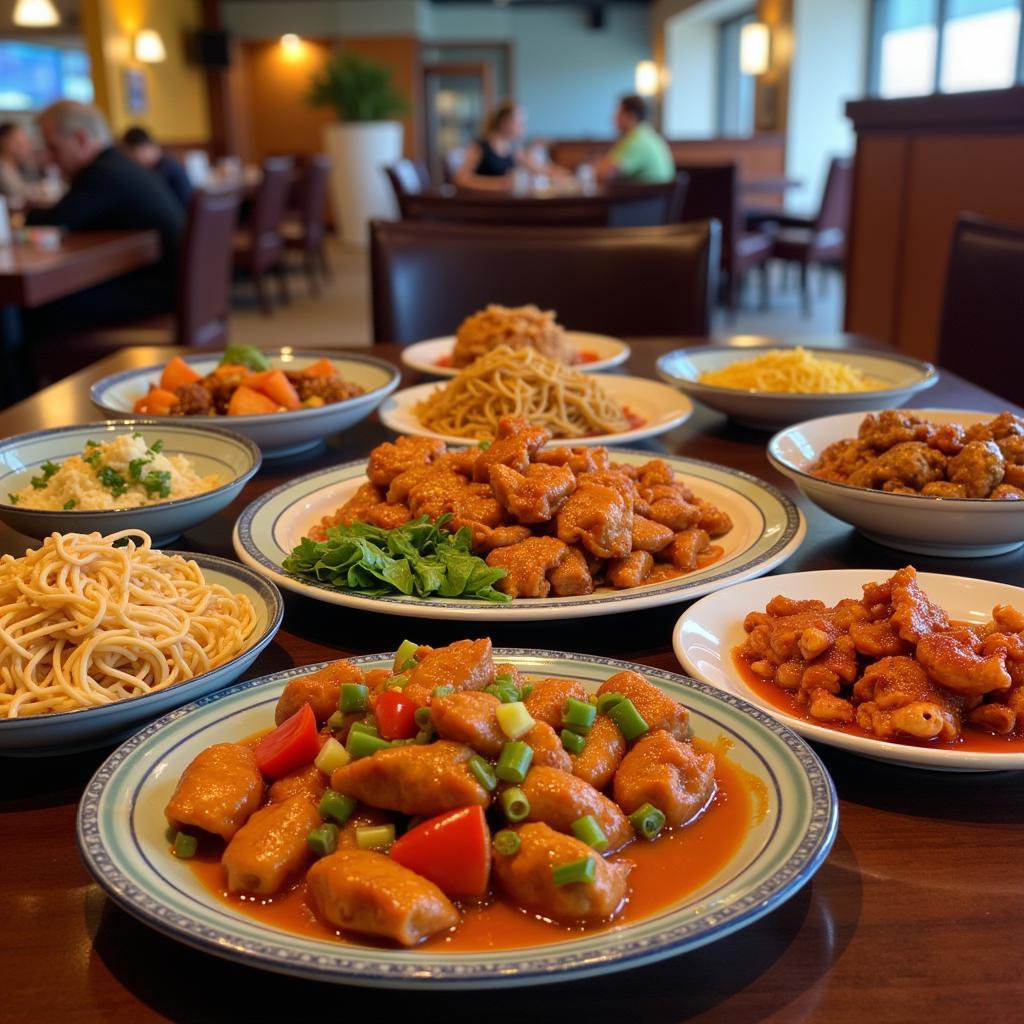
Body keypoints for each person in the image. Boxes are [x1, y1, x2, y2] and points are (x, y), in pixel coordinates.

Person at [25, 100, 185, 330]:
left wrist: (23, 216)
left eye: (53, 147)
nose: (49, 159)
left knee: (36, 310)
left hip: (152, 295)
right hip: (166, 287)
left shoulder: (102, 173)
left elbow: (57, 220)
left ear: (80, 139)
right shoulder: (118, 164)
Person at [454, 101, 566, 192]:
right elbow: (461, 179)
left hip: (503, 203)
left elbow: (537, 168)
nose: (523, 128)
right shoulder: (479, 146)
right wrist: (499, 184)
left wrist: (562, 174)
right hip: (483, 206)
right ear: (505, 122)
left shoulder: (512, 149)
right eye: (519, 123)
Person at [595, 94, 675, 185]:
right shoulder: (645, 134)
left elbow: (604, 173)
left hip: (649, 198)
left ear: (631, 116)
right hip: (654, 196)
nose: (613, 118)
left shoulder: (638, 141)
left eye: (618, 113)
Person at [121, 125, 193, 207]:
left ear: (142, 148)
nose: (130, 160)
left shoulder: (166, 170)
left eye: (131, 154)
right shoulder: (164, 163)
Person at [0, 122, 44, 206]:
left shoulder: (22, 167)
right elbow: (19, 195)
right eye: (18, 142)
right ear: (3, 142)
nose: (26, 147)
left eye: (25, 142)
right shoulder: (3, 170)